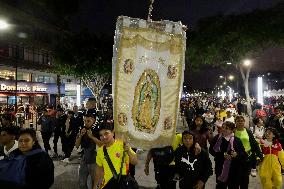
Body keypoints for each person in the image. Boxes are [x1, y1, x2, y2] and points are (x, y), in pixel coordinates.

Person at [93, 122, 138, 189]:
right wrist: (95, 186)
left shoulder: (122, 145)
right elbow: (99, 172)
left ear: (112, 133)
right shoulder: (100, 151)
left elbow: (135, 162)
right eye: (101, 135)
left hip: (122, 184)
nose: (104, 137)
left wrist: (128, 151)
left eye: (106, 133)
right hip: (108, 185)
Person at [209, 121, 247, 189]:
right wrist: (222, 155)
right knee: (220, 185)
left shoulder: (237, 140)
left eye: (226, 128)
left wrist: (236, 155)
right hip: (220, 167)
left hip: (234, 169)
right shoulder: (217, 138)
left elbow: (244, 154)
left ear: (232, 130)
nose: (223, 129)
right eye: (223, 127)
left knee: (233, 186)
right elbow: (211, 150)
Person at [234, 115, 263, 189]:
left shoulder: (248, 131)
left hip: (247, 157)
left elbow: (254, 143)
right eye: (238, 121)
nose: (240, 122)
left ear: (244, 122)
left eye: (242, 121)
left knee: (245, 178)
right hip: (236, 158)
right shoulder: (233, 131)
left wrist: (260, 155)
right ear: (235, 122)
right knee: (236, 178)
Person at [75, 112, 103, 189]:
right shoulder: (82, 129)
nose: (86, 123)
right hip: (84, 159)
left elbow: (102, 145)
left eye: (88, 121)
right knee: (81, 183)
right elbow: (77, 145)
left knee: (95, 183)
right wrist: (81, 135)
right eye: (85, 121)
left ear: (93, 120)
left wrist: (92, 137)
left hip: (95, 160)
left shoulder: (98, 131)